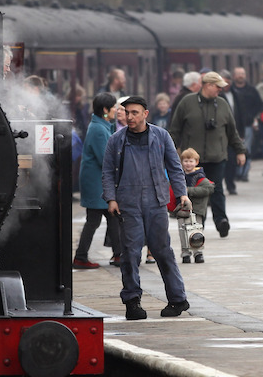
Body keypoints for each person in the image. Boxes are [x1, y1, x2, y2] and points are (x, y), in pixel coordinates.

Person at [102, 95, 191, 320]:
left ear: (145, 114)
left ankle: (178, 300)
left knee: (163, 252)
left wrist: (182, 193)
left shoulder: (161, 136)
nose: (130, 117)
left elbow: (174, 166)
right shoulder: (116, 140)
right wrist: (111, 198)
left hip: (156, 202)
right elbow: (107, 171)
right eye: (127, 112)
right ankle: (132, 302)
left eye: (134, 113)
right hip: (128, 204)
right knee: (130, 253)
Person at [168, 71, 247, 238]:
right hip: (192, 160)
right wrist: (167, 152)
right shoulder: (187, 102)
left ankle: (221, 221)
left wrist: (240, 151)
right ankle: (197, 225)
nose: (220, 90)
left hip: (217, 156)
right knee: (194, 192)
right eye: (218, 87)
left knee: (217, 190)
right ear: (208, 85)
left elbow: (232, 131)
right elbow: (174, 130)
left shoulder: (223, 104)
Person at [73, 92, 122, 269]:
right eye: (114, 107)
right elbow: (106, 159)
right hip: (97, 184)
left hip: (96, 182)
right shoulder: (98, 129)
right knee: (98, 219)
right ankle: (81, 257)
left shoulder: (101, 126)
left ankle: (118, 255)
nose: (116, 110)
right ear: (105, 109)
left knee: (111, 218)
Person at [174, 147, 214, 263]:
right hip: (182, 209)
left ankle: (198, 253)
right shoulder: (179, 176)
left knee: (196, 232)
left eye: (191, 161)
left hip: (197, 210)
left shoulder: (200, 176)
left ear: (196, 162)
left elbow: (209, 188)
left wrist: (189, 191)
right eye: (185, 161)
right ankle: (185, 253)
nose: (188, 164)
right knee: (183, 231)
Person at [228, 67, 262, 183]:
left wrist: (252, 117)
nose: (240, 76)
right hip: (232, 125)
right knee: (234, 150)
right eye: (238, 74)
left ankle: (244, 172)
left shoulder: (251, 90)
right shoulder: (230, 91)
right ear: (234, 76)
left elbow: (259, 105)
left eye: (242, 73)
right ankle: (236, 172)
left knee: (246, 149)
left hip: (247, 124)